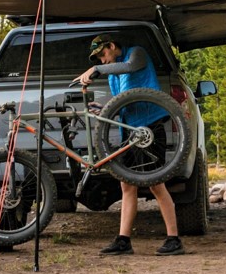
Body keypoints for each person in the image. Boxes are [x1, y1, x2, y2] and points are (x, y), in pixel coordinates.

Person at [75, 33, 185, 257]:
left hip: (149, 129)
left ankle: (174, 239)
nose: (102, 61)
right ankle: (123, 240)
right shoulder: (113, 74)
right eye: (98, 60)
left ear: (112, 46)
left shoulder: (136, 53)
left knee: (156, 183)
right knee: (127, 185)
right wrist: (105, 109)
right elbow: (124, 102)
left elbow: (130, 66)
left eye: (103, 54)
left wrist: (97, 71)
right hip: (131, 132)